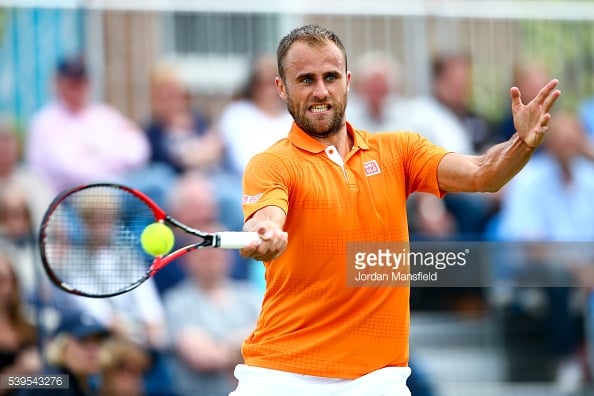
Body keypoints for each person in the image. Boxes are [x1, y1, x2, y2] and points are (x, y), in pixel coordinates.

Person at [233, 24, 560, 395]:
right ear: (281, 87)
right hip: (281, 378)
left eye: (330, 77)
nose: (320, 91)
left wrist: (522, 143)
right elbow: (265, 219)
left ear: (348, 81)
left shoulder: (398, 149)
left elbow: (483, 174)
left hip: (379, 380)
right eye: (305, 79)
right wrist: (266, 234)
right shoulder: (270, 164)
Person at [162, 177, 261, 396]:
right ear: (187, 260)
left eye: (219, 251)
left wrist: (223, 349)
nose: (213, 258)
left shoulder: (251, 295)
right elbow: (202, 357)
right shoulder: (176, 302)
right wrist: (243, 346)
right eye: (205, 252)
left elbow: (271, 345)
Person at [26, 55, 150, 193]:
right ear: (58, 82)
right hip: (71, 197)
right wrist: (109, 156)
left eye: (81, 81)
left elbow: (138, 151)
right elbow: (67, 169)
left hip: (121, 187)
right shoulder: (44, 122)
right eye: (71, 82)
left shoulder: (106, 114)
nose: (77, 87)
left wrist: (94, 155)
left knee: (158, 181)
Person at [16, 310, 110, 396]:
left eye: (98, 341)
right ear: (62, 346)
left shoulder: (79, 384)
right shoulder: (54, 382)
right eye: (83, 341)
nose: (93, 350)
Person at [0, 252, 42, 396]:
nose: (4, 286)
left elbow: (54, 382)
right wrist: (17, 374)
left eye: (4, 278)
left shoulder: (29, 329)